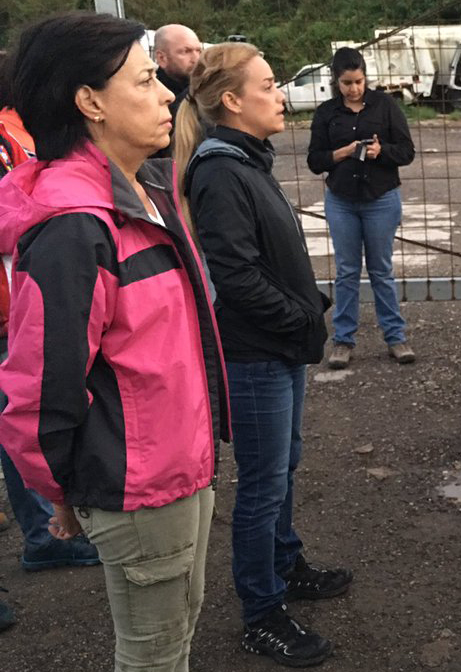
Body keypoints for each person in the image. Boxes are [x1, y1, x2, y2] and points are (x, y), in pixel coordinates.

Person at [0, 11, 228, 668]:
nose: (166, 94)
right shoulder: (76, 230)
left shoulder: (145, 189)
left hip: (183, 468)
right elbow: (37, 397)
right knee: (154, 654)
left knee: (176, 634)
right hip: (138, 486)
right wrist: (65, 492)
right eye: (146, 79)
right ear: (90, 101)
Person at [176, 42, 351, 667]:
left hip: (278, 347)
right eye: (270, 84)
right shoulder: (221, 170)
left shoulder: (246, 160)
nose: (281, 94)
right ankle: (262, 611)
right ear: (232, 100)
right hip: (255, 354)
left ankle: (285, 563)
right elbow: (237, 275)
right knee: (261, 483)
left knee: (284, 465)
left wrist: (304, 310)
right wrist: (301, 316)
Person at [0, 75, 101, 577]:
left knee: (22, 410)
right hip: (13, 301)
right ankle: (46, 529)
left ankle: (45, 531)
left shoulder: (16, 127)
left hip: (14, 302)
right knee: (26, 411)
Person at [308, 47, 416, 370]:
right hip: (341, 200)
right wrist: (341, 153)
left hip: (381, 199)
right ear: (335, 80)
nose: (353, 88)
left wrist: (381, 151)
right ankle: (343, 340)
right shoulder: (326, 113)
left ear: (366, 76)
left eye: (358, 81)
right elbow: (315, 161)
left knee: (381, 269)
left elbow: (407, 152)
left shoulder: (386, 106)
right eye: (346, 83)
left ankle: (396, 337)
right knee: (347, 271)